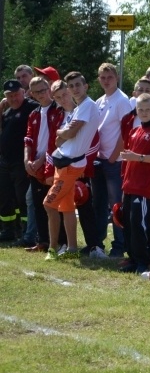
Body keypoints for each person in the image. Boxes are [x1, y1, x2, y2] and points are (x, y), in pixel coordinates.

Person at [43, 77, 102, 260]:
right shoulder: (76, 110)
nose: (74, 89)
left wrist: (63, 133)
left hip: (71, 165)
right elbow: (57, 141)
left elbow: (66, 134)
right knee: (66, 207)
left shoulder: (86, 106)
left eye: (77, 85)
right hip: (63, 163)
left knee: (49, 204)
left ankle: (52, 249)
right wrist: (63, 135)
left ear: (86, 85)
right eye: (71, 86)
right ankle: (72, 248)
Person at [117, 94, 150, 273]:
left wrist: (138, 158)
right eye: (141, 109)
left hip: (146, 186)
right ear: (136, 111)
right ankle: (132, 257)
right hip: (130, 185)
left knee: (141, 223)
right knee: (129, 222)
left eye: (148, 109)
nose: (144, 112)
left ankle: (145, 259)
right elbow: (129, 159)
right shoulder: (134, 131)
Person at [92, 63, 130, 257]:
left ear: (116, 77)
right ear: (99, 79)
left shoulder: (122, 100)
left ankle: (119, 246)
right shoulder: (99, 101)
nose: (106, 81)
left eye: (110, 77)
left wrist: (114, 157)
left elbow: (127, 131)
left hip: (114, 161)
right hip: (99, 160)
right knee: (98, 205)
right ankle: (97, 245)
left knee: (116, 206)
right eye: (103, 77)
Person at [22, 77, 60, 251]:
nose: (41, 94)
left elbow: (55, 142)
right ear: (31, 93)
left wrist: (41, 160)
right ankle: (43, 241)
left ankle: (61, 242)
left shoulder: (59, 111)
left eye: (43, 89)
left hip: (52, 164)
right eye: (37, 91)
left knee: (54, 204)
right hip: (35, 167)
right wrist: (27, 160)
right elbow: (28, 140)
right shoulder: (34, 114)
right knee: (37, 204)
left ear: (49, 88)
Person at [0, 80, 38, 242]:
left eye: (16, 94)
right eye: (9, 95)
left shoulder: (31, 107)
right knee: (5, 197)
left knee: (22, 198)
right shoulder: (7, 112)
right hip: (5, 162)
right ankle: (8, 230)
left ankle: (26, 232)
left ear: (23, 92)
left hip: (21, 163)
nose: (13, 98)